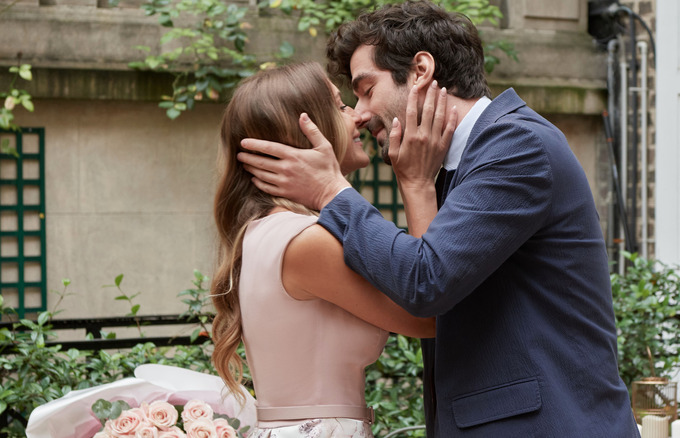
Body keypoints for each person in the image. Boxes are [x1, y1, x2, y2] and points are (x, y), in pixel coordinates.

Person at [237, 2, 641, 437]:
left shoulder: (516, 146)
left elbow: (426, 283)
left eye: (366, 89)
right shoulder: (444, 167)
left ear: (421, 70)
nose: (360, 111)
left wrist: (332, 192)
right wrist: (416, 184)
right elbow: (432, 290)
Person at [209, 61, 455, 438]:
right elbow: (432, 313)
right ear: (305, 131)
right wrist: (417, 183)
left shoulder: (270, 232)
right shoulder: (305, 241)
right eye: (340, 107)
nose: (357, 116)